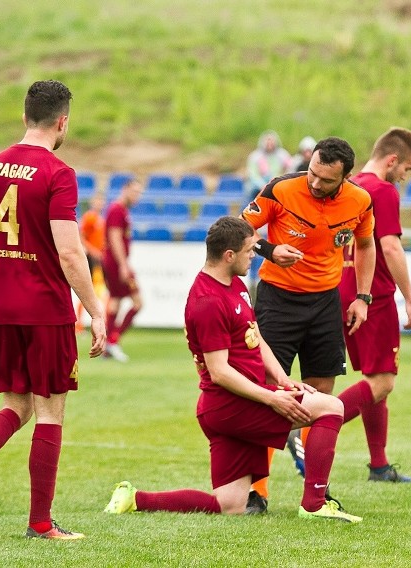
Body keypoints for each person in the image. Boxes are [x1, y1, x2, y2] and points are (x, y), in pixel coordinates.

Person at [103, 216, 361, 523]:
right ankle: (315, 503)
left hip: (229, 407)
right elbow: (220, 372)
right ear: (229, 255)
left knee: (230, 505)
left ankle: (134, 499)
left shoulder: (234, 283)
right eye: (250, 250)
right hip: (232, 406)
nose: (255, 255)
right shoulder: (207, 301)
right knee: (331, 407)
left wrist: (282, 380)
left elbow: (256, 336)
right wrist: (273, 398)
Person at [0, 80, 107, 541]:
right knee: (51, 410)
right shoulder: (58, 172)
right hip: (46, 308)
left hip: (4, 305)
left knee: (16, 404)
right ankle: (40, 523)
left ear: (23, 117)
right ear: (63, 121)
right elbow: (71, 254)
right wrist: (95, 311)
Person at [239, 136, 375, 512]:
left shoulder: (360, 201)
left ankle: (315, 493)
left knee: (322, 396)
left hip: (325, 303)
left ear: (345, 177)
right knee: (269, 394)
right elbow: (237, 229)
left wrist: (362, 297)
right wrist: (269, 249)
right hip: (277, 300)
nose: (315, 183)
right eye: (312, 173)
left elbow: (365, 245)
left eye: (326, 180)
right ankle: (257, 492)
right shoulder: (281, 189)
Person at [334, 127, 411, 483]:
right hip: (373, 295)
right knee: (384, 381)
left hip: (340, 289)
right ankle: (311, 428)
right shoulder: (382, 191)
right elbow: (389, 247)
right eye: (407, 168)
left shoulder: (349, 185)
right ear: (392, 160)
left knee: (373, 378)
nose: (405, 176)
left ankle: (379, 465)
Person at [101, 178, 144, 362]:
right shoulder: (117, 210)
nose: (137, 197)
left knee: (116, 301)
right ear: (125, 190)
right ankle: (112, 340)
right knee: (137, 302)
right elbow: (115, 238)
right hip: (116, 263)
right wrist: (123, 265)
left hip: (115, 262)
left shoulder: (120, 210)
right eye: (134, 192)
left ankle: (108, 345)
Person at [76, 195, 108, 332]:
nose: (100, 204)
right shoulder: (90, 218)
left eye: (101, 201)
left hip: (99, 258)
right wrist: (93, 250)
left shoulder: (101, 219)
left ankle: (99, 321)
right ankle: (78, 325)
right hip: (91, 258)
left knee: (99, 291)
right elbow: (81, 237)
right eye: (97, 201)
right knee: (89, 291)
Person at [245, 130, 292, 201]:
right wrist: (263, 185)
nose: (269, 143)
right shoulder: (255, 156)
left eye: (272, 141)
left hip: (277, 182)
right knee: (250, 190)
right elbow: (253, 175)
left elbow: (291, 167)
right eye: (267, 141)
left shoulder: (282, 154)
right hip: (259, 185)